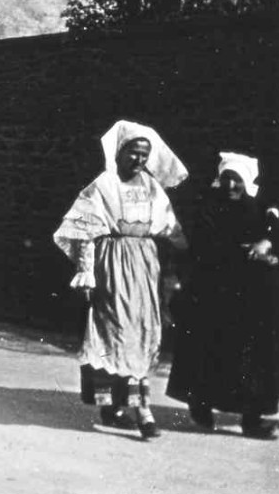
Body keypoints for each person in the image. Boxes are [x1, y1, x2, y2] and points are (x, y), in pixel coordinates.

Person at [53, 120, 188, 440]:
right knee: (115, 333)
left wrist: (179, 257)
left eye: (144, 155)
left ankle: (130, 404)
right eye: (132, 153)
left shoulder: (153, 188)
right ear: (118, 152)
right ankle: (133, 409)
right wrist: (86, 271)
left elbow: (170, 229)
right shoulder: (103, 186)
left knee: (144, 332)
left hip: (145, 266)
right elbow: (83, 231)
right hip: (112, 264)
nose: (138, 160)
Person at [166, 152, 279, 439]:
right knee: (209, 348)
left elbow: (276, 236)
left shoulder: (260, 209)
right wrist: (248, 251)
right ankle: (200, 405)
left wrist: (267, 244)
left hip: (251, 295)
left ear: (248, 182)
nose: (232, 185)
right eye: (227, 178)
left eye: (238, 180)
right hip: (213, 290)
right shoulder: (208, 207)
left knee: (251, 357)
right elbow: (205, 245)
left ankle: (251, 418)